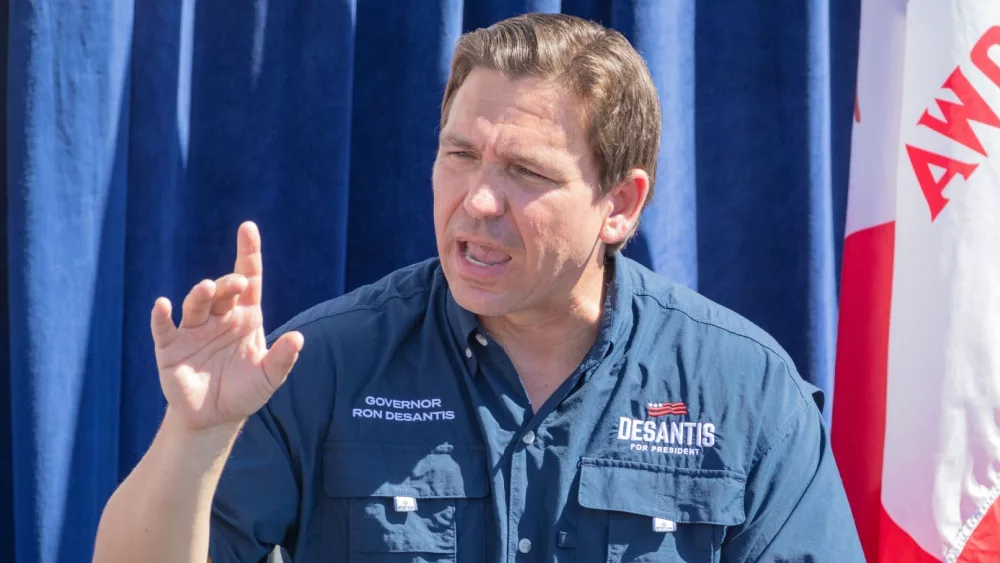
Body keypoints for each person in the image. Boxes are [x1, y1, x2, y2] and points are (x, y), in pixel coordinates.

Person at [93, 12, 865, 563]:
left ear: (621, 205)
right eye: (459, 155)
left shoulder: (741, 386)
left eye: (525, 171)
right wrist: (191, 439)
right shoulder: (322, 363)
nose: (478, 200)